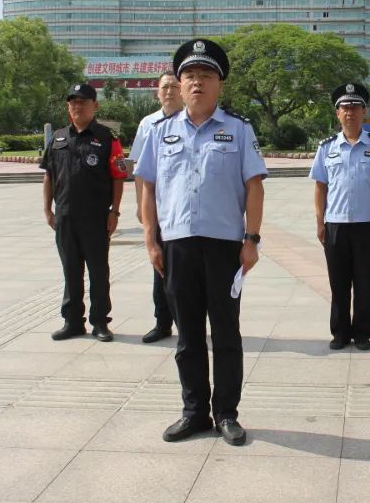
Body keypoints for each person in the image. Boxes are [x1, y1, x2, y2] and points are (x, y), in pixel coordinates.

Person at [136, 38, 267, 447]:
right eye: (190, 75)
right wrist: (150, 239)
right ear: (179, 83)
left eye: (206, 75)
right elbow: (147, 187)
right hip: (177, 246)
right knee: (188, 335)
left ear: (219, 84)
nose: (197, 82)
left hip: (224, 245)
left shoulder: (239, 129)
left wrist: (251, 239)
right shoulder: (160, 132)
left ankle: (226, 413)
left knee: (226, 333)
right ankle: (194, 412)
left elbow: (254, 185)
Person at [309, 82, 370, 351]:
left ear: (363, 111)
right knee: (338, 283)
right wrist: (320, 222)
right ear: (338, 113)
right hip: (335, 225)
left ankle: (362, 334)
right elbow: (320, 186)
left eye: (355, 107)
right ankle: (340, 333)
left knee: (364, 282)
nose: (350, 112)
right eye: (345, 108)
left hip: (367, 225)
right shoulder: (327, 148)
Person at [41, 82, 128, 344]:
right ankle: (72, 321)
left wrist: (115, 211)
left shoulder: (107, 138)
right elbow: (48, 176)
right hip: (65, 216)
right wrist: (47, 209)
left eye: (83, 102)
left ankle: (100, 322)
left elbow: (118, 177)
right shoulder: (58, 137)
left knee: (98, 271)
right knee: (70, 270)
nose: (77, 106)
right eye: (73, 102)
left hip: (96, 217)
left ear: (95, 106)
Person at [128, 71, 184, 344]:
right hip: (159, 208)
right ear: (157, 93)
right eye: (165, 87)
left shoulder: (193, 120)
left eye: (174, 86)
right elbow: (140, 170)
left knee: (188, 270)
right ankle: (163, 323)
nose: (170, 91)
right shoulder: (148, 124)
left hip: (183, 208)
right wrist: (142, 206)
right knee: (160, 267)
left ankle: (189, 324)